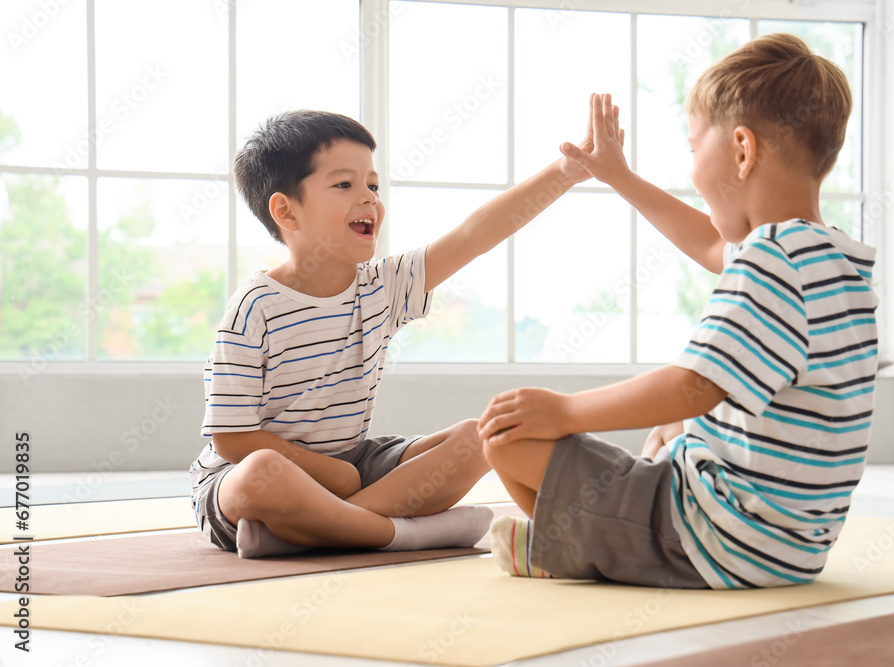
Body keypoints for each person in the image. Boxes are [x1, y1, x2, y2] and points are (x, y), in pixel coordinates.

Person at [479, 33, 878, 589]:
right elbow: (710, 245)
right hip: (792, 551)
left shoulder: (772, 257)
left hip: (719, 534)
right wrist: (618, 175)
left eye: (694, 150)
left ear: (742, 150)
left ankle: (573, 548)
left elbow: (695, 387)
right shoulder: (833, 259)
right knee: (671, 433)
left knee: (507, 436)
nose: (692, 172)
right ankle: (586, 540)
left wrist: (565, 412)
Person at [191, 108, 603, 558]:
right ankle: (403, 533)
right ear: (286, 211)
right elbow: (232, 439)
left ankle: (312, 530)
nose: (368, 198)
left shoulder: (383, 287)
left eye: (373, 184)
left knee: (479, 437)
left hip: (353, 460)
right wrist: (335, 478)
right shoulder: (255, 307)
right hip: (251, 479)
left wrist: (565, 172)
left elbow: (473, 234)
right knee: (260, 473)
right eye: (344, 184)